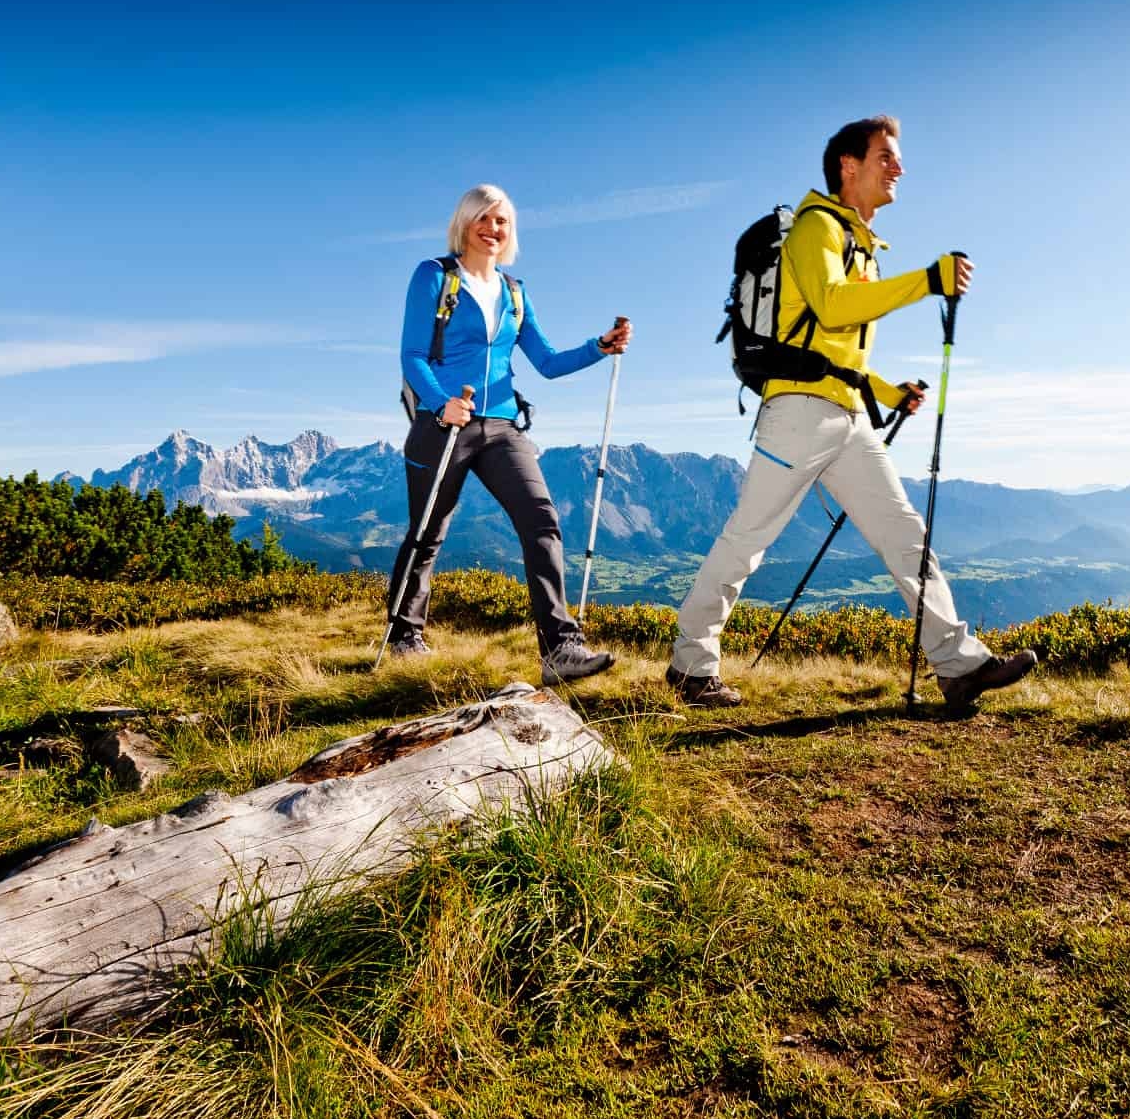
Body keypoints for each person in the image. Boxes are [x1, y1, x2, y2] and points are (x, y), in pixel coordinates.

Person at [667, 116, 1036, 711]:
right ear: (849, 165)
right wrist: (927, 282)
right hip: (798, 411)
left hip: (844, 415)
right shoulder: (817, 227)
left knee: (903, 534)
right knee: (747, 541)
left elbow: (836, 352)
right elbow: (834, 308)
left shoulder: (859, 242)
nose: (899, 168)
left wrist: (889, 394)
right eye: (886, 156)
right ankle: (691, 663)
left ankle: (958, 663)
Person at [386, 183, 631, 685]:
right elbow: (412, 355)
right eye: (484, 218)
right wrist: (442, 404)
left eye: (502, 221)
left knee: (541, 521)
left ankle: (561, 650)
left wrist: (599, 347)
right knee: (427, 535)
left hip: (501, 425)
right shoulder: (434, 276)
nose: (492, 228)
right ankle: (405, 636)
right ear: (465, 222)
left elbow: (546, 362)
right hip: (442, 425)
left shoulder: (515, 291)